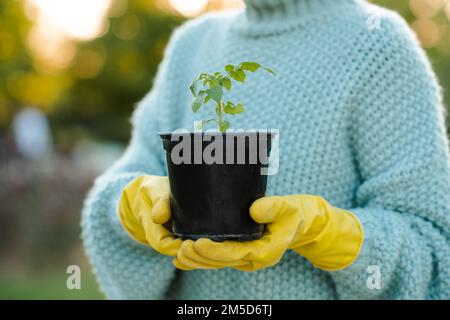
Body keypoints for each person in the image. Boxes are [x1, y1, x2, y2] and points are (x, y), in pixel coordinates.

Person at [82, 0, 450, 299]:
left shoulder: (377, 44)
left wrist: (325, 230)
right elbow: (117, 192)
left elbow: (433, 252)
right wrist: (131, 205)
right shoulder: (191, 45)